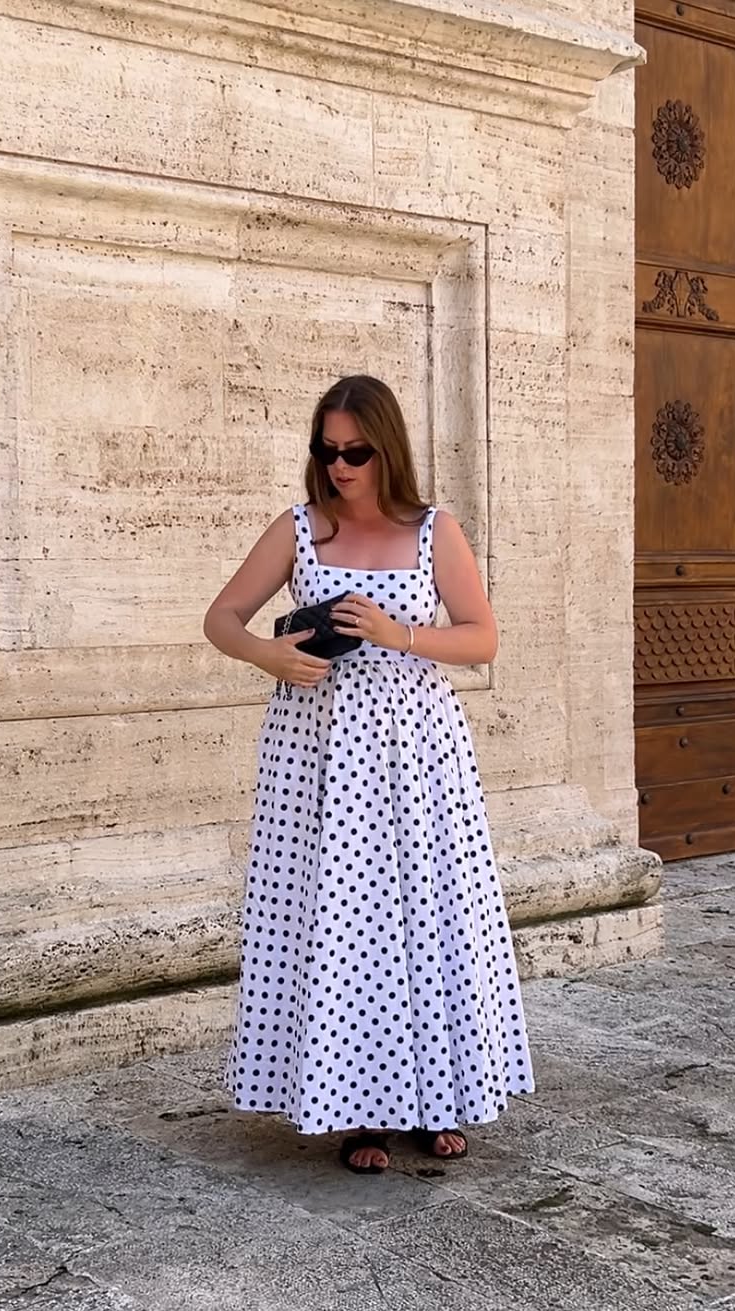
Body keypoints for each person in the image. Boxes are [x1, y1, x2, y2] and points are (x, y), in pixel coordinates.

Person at [203, 375, 533, 1173]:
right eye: (327, 451)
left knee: (430, 913)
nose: (339, 467)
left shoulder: (434, 531)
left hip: (419, 752)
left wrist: (398, 634)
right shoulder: (299, 528)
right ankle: (360, 1112)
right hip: (317, 752)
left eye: (355, 452)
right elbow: (220, 617)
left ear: (388, 450)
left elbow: (482, 637)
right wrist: (268, 654)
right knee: (343, 920)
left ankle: (440, 1098)